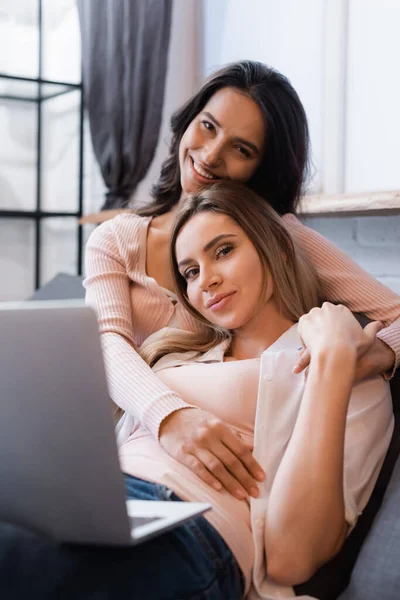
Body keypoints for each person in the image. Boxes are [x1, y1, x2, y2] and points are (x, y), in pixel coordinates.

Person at [0, 181, 393, 600]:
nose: (206, 281)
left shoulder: (341, 367)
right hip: (96, 505)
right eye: (190, 271)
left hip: (191, 532)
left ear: (276, 248)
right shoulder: (180, 351)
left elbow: (290, 559)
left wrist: (332, 363)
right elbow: (108, 347)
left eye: (223, 251)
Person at [84, 60, 399, 500]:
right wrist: (170, 418)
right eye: (208, 126)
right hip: (113, 443)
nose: (212, 154)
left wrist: (368, 356)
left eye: (242, 149)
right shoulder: (115, 239)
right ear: (187, 122)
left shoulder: (277, 236)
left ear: (261, 168)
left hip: (197, 489)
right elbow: (104, 344)